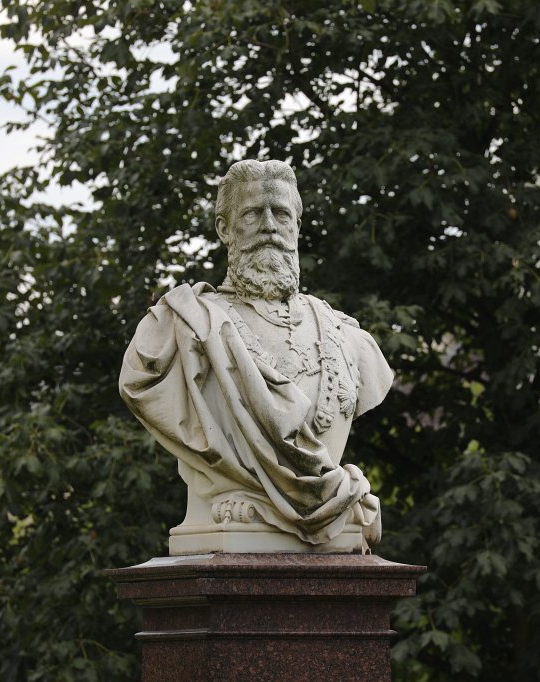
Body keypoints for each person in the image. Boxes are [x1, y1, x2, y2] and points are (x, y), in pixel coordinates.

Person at [119, 160, 393, 551]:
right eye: (252, 213)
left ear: (297, 226)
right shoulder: (180, 327)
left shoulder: (348, 337)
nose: (269, 224)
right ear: (224, 229)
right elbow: (139, 385)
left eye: (281, 213)